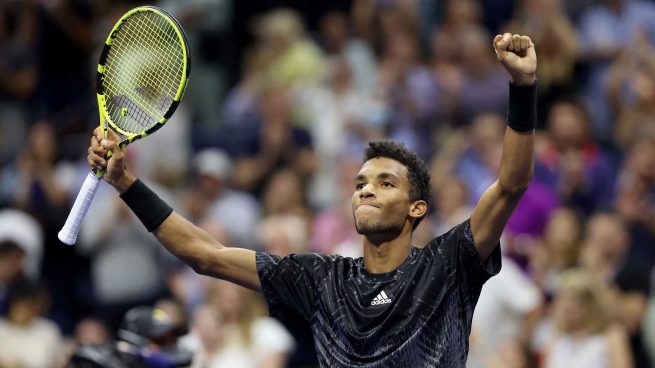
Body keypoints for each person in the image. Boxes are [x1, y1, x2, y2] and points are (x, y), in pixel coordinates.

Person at [85, 33, 537, 367]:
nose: (365, 189)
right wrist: (126, 183)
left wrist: (522, 89)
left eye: (385, 183)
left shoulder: (448, 263)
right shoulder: (322, 278)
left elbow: (510, 184)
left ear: (417, 207)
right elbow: (206, 255)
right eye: (361, 182)